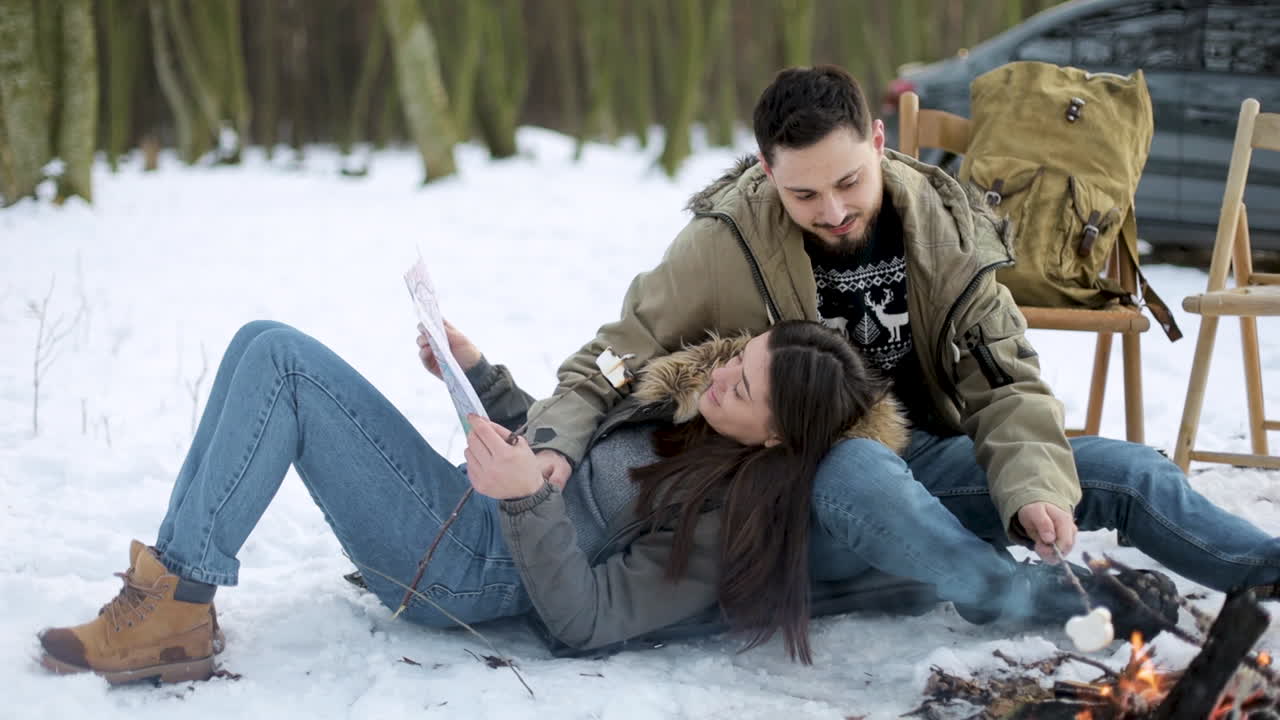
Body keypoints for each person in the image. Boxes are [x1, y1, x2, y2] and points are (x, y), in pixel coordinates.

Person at [518, 65, 1280, 625]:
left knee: (1130, 471)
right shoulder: (722, 245)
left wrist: (1033, 487)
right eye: (804, 193)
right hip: (804, 490)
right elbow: (611, 357)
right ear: (766, 170)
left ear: (878, 141)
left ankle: (1265, 568)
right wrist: (553, 441)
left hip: (925, 460)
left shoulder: (945, 230)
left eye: (849, 181)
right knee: (857, 466)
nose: (833, 210)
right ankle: (1019, 597)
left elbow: (1006, 382)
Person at [36, 317, 905, 684]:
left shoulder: (729, 521)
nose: (719, 376)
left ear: (779, 438)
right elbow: (567, 465)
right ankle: (171, 591)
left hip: (465, 568)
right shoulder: (693, 416)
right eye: (738, 357)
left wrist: (524, 502)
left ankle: (177, 605)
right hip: (472, 513)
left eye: (742, 385)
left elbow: (589, 621)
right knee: (259, 340)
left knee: (284, 366)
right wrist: (480, 376)